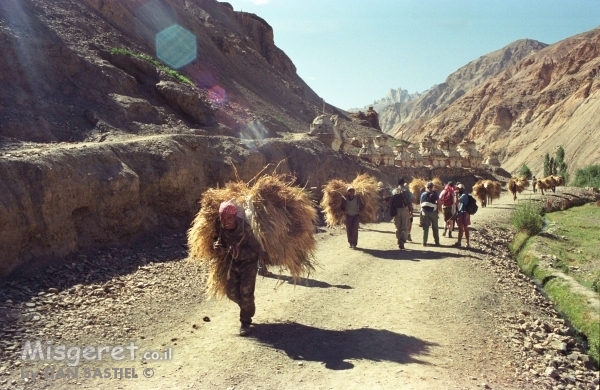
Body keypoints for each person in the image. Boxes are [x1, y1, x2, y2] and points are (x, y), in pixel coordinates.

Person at [213, 201, 267, 336]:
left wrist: (240, 252)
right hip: (233, 264)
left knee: (245, 292)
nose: (226, 221)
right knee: (230, 293)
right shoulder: (220, 227)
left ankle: (245, 322)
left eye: (229, 218)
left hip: (248, 264)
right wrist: (217, 246)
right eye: (223, 218)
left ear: (235, 217)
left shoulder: (246, 229)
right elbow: (216, 240)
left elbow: (256, 250)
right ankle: (247, 306)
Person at [389, 178, 413, 250]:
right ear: (403, 183)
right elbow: (409, 202)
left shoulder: (394, 191)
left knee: (398, 227)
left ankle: (399, 239)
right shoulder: (406, 191)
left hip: (396, 210)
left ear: (397, 183)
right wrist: (411, 211)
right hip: (404, 209)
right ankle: (402, 239)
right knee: (405, 226)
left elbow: (391, 201)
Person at [420, 181, 440, 246]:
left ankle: (424, 242)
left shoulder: (423, 194)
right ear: (432, 187)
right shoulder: (435, 193)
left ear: (427, 187)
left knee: (425, 227)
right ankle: (437, 242)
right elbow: (439, 202)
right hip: (433, 212)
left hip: (425, 212)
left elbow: (421, 203)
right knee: (435, 227)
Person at [453, 184, 471, 248]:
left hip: (464, 213)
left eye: (460, 189)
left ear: (463, 189)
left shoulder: (464, 195)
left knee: (464, 228)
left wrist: (456, 195)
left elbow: (456, 202)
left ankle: (466, 243)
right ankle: (461, 242)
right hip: (463, 213)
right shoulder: (463, 195)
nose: (459, 190)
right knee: (462, 228)